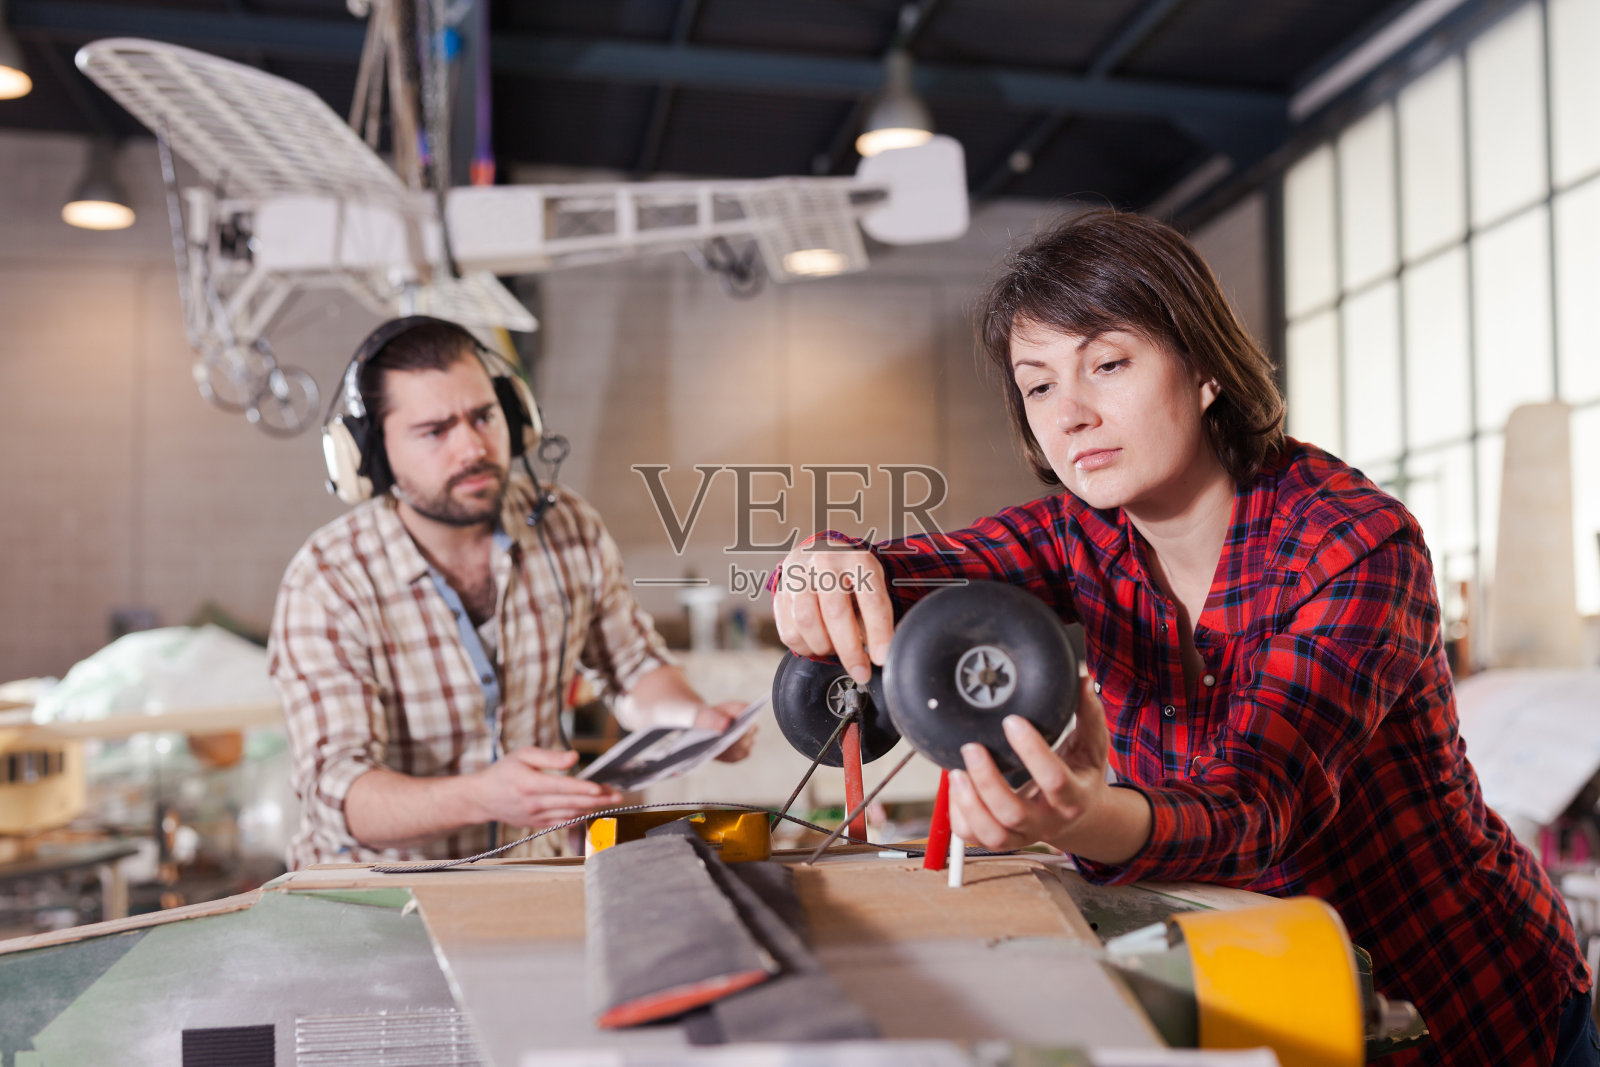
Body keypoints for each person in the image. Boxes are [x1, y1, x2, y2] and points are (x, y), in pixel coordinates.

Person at [772, 211, 1595, 1065]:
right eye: (1040, 384)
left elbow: (1257, 807)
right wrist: (828, 567)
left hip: (1461, 1000)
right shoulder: (1079, 535)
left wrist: (1086, 817)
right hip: (1261, 991)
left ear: (1203, 367)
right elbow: (911, 566)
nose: (1073, 414)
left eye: (1109, 363)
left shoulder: (1353, 544)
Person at [270, 317, 753, 869]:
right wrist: (479, 795)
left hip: (526, 873)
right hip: (375, 902)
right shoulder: (328, 580)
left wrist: (694, 720)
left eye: (484, 416)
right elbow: (338, 792)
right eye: (435, 431)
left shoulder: (567, 525)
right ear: (370, 456)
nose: (472, 448)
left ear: (515, 414)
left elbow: (633, 666)